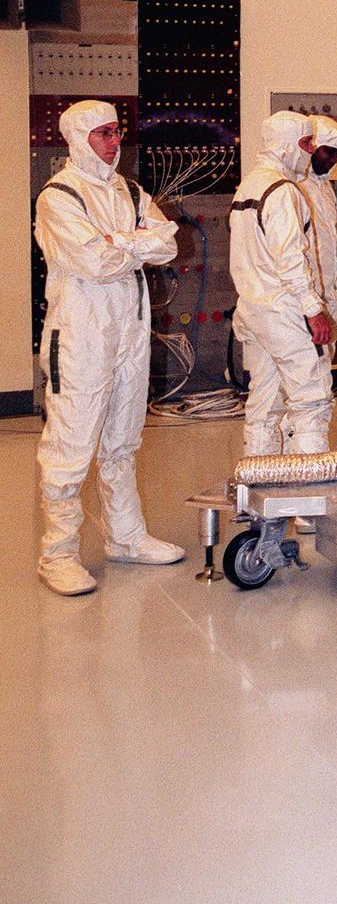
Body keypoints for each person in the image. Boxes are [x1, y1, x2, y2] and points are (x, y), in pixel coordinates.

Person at [36, 100, 185, 596]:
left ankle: (126, 537)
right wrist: (136, 242)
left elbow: (168, 245)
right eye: (101, 133)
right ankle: (58, 554)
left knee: (122, 439)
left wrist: (118, 241)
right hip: (80, 336)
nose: (113, 142)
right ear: (78, 138)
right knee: (71, 445)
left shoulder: (131, 191)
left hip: (129, 332)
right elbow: (94, 264)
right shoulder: (59, 197)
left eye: (116, 131)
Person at [229, 111, 334, 460]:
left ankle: (261, 484)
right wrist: (313, 310)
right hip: (284, 312)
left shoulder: (249, 185)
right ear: (287, 145)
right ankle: (309, 489)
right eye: (306, 143)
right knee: (311, 402)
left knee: (263, 404)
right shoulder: (283, 191)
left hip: (253, 312)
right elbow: (290, 259)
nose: (310, 150)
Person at [299, 114, 337, 366]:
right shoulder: (293, 186)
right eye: (328, 152)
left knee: (323, 368)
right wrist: (309, 307)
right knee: (307, 373)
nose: (333, 160)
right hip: (304, 301)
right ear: (311, 147)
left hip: (327, 294)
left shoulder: (325, 188)